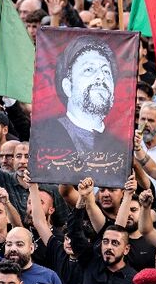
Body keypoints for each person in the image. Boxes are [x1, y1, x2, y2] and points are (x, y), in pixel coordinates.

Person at [30, 34, 126, 178]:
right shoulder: (45, 134)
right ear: (67, 87)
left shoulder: (121, 146)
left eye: (106, 71)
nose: (101, 77)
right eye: (89, 70)